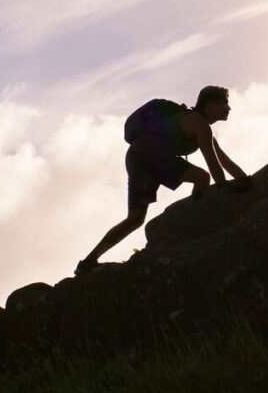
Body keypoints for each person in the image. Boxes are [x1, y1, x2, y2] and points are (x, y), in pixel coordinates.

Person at [75, 85, 251, 274]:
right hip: (144, 158)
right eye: (225, 104)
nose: (229, 109)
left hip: (151, 158)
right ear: (211, 104)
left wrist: (244, 178)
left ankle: (192, 224)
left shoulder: (202, 127)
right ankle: (88, 261)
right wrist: (223, 189)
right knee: (136, 218)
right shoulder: (197, 123)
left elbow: (223, 160)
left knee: (198, 179)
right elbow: (213, 163)